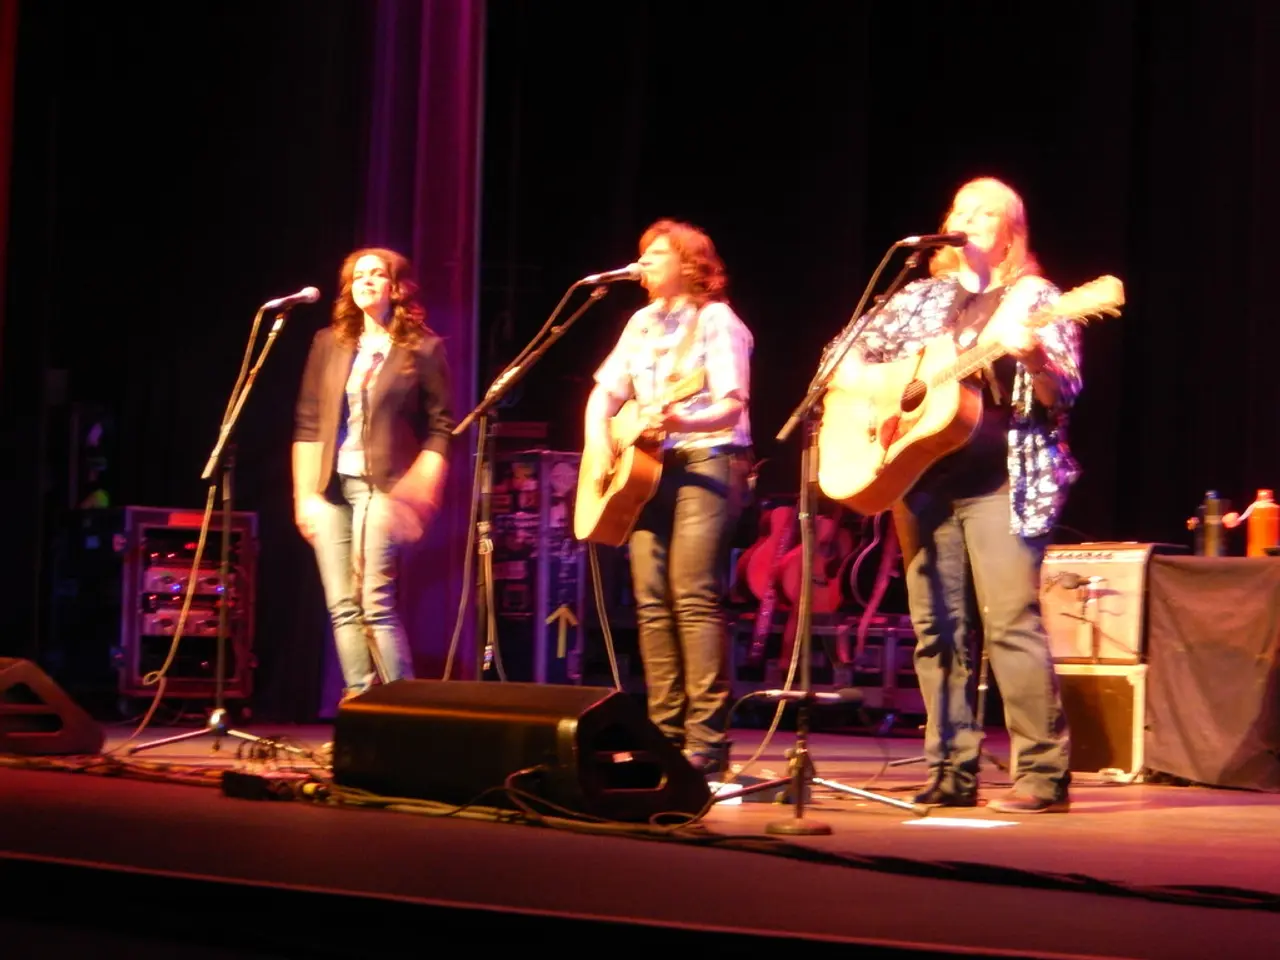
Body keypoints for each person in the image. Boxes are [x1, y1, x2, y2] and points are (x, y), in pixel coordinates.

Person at [824, 177, 1080, 813]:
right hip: (922, 480)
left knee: (1010, 624)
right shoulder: (921, 298)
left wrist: (1038, 362)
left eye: (984, 211)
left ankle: (1042, 777)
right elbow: (836, 359)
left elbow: (1065, 390)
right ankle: (949, 769)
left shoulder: (1035, 298)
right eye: (960, 209)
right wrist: (889, 392)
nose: (968, 217)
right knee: (936, 629)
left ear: (1011, 232)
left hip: (1002, 482)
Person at [584, 219, 754, 775]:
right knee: (651, 600)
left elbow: (732, 402)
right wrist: (600, 442)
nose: (644, 263)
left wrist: (683, 415)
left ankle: (707, 739)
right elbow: (604, 393)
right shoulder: (639, 322)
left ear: (689, 264)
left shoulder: (717, 320)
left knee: (692, 592)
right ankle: (664, 731)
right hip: (648, 468)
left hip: (709, 460)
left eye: (657, 254)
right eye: (642, 254)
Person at [293, 247, 453, 702]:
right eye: (358, 276)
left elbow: (443, 425)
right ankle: (359, 708)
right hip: (330, 486)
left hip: (384, 485)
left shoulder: (423, 347)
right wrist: (303, 495)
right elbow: (307, 420)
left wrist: (426, 479)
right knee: (342, 606)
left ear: (396, 287)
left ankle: (403, 717)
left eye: (376, 275)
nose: (365, 282)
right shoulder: (329, 342)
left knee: (375, 603)